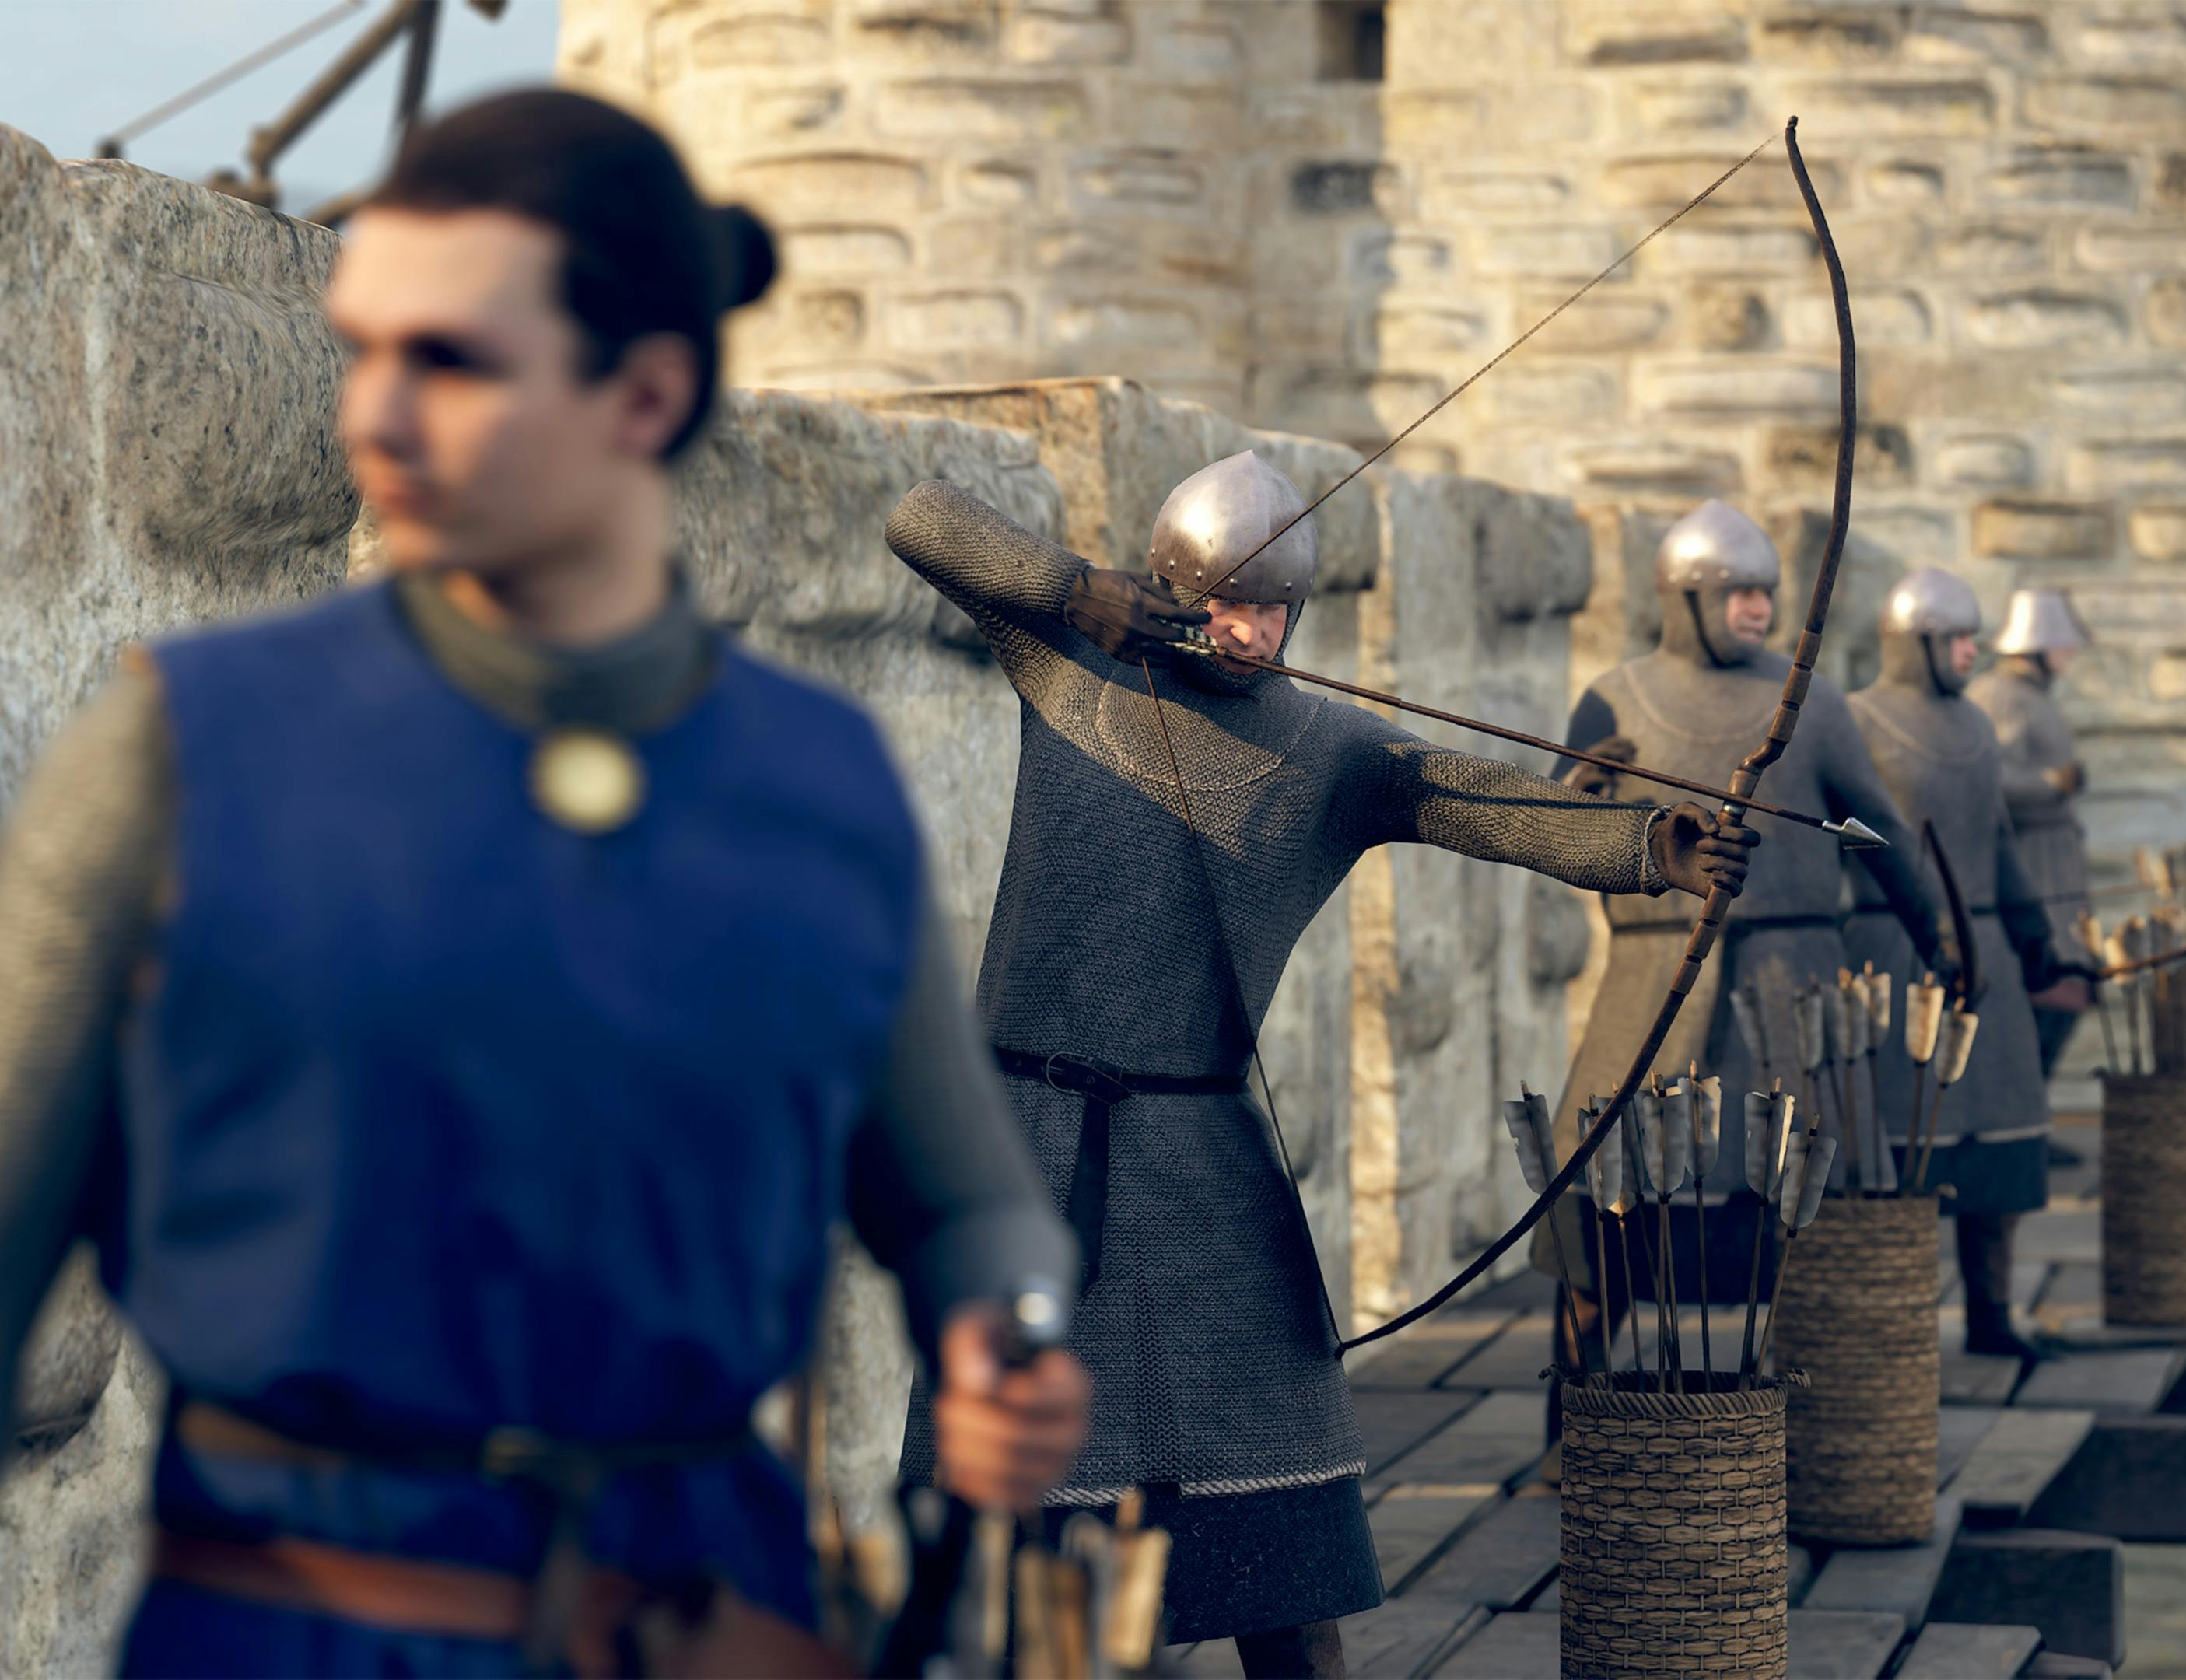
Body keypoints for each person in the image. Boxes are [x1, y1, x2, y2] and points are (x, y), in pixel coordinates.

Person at [0, 90, 1086, 1675]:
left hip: (703, 1622)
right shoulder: (182, 753)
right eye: (364, 348)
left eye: (450, 361)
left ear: (643, 392)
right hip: (305, 1626)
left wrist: (1008, 1329)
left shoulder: (813, 785)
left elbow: (967, 1200)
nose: (375, 416)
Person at [883, 452, 1757, 1675]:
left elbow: (1476, 796)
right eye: (1228, 604)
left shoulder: (1327, 747)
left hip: (1202, 1157)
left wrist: (1651, 846)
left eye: (1274, 609)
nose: (1251, 633)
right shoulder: (1068, 659)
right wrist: (1075, 589)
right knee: (1012, 1521)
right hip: (1025, 1145)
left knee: (1279, 1515)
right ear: (1171, 586)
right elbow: (919, 516)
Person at [1535, 499, 1947, 1393]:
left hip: (1785, 992)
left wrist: (1939, 939)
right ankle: (1575, 1429)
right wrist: (1573, 795)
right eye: (1736, 593)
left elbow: (1873, 833)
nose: (1758, 609)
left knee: (1800, 1228)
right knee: (1603, 1228)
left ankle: (1805, 1426)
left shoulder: (1811, 703)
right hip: (1651, 990)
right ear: (1684, 599)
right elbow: (1560, 840)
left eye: (1765, 592)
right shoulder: (1614, 699)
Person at [1844, 569, 2087, 1363]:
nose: (1971, 651)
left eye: (1972, 638)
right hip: (1896, 955)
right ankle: (1889, 1323)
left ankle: (1991, 1315)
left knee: (2002, 1141)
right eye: (1956, 639)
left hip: (1988, 965)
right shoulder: (1853, 720)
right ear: (1914, 643)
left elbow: (1997, 840)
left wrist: (2031, 931)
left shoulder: (1978, 725)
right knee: (1904, 1146)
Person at [1975, 589, 2097, 1079]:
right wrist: (2052, 783)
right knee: (2040, 998)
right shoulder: (2000, 696)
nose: (2070, 654)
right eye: (2062, 644)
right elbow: (1988, 781)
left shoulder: (2032, 697)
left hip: (2053, 864)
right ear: (2036, 645)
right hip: (2029, 869)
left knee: (2063, 995)